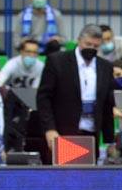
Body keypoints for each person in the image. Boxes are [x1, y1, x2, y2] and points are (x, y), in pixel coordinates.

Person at [35, 24, 115, 162]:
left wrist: (109, 140)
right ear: (79, 40)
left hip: (91, 133)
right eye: (88, 44)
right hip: (63, 131)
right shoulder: (57, 61)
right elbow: (43, 98)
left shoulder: (105, 67)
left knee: (89, 177)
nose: (91, 48)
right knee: (64, 177)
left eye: (95, 46)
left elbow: (107, 104)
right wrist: (49, 129)